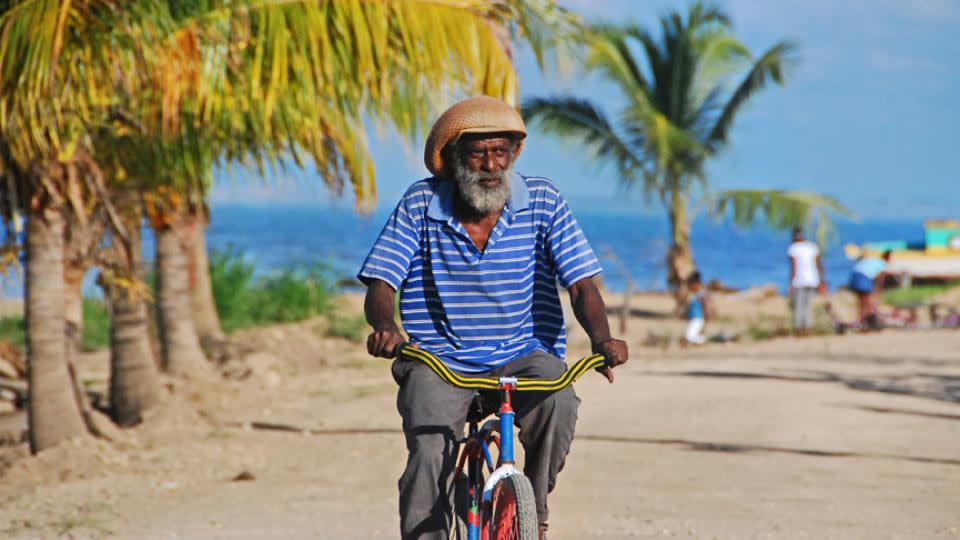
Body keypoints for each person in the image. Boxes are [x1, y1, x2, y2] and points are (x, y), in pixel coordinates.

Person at [358, 96, 629, 540]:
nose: (490, 164)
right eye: (477, 152)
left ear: (513, 155)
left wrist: (603, 340)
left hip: (524, 353)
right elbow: (382, 283)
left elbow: (580, 284)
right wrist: (385, 326)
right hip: (438, 360)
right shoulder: (420, 203)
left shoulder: (542, 199)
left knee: (558, 403)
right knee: (429, 451)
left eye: (500, 151)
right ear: (453, 159)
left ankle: (532, 510)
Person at [787, 226, 825, 335]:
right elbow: (819, 265)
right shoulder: (812, 247)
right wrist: (822, 280)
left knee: (798, 305)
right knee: (808, 305)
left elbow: (794, 268)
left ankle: (798, 329)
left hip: (799, 281)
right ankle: (808, 329)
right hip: (813, 280)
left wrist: (791, 283)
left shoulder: (793, 248)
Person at [848, 250, 893, 328]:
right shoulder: (882, 264)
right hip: (863, 277)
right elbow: (880, 281)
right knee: (866, 301)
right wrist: (878, 292)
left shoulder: (873, 260)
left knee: (861, 301)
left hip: (854, 275)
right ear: (888, 257)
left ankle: (861, 321)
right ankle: (865, 321)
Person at [684, 271, 708, 344]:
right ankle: (700, 340)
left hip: (698, 318)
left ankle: (702, 341)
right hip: (693, 318)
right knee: (690, 334)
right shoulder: (694, 294)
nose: (689, 286)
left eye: (690, 284)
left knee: (689, 336)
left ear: (696, 284)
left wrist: (705, 319)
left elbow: (705, 307)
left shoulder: (701, 294)